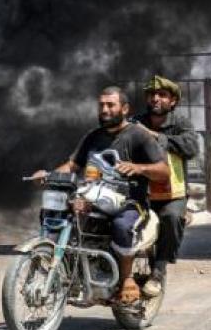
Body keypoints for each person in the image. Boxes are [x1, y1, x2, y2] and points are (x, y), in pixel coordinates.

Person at [36, 86, 170, 304]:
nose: (105, 109)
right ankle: (65, 268)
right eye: (101, 105)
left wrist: (138, 168)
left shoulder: (139, 135)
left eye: (110, 105)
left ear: (125, 109)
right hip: (93, 199)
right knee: (55, 210)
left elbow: (163, 171)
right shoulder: (93, 137)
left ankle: (126, 278)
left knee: (121, 225)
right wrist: (49, 175)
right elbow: (72, 165)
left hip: (129, 203)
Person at [131, 75, 199, 298]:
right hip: (141, 192)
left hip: (173, 193)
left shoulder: (181, 123)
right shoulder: (135, 122)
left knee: (171, 219)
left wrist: (155, 137)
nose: (155, 99)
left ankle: (158, 272)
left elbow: (190, 147)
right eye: (151, 95)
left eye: (162, 95)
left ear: (173, 101)